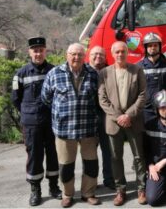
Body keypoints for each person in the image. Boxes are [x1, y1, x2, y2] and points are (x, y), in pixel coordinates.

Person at [41, 43, 100, 207]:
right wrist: (61, 114)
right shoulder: (54, 73)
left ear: (84, 56)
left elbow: (98, 99)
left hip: (88, 128)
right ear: (67, 55)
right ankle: (67, 194)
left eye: (80, 55)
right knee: (66, 166)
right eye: (73, 54)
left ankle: (88, 193)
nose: (76, 58)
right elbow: (45, 98)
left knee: (91, 164)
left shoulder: (92, 74)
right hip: (64, 129)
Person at [12, 37, 61, 206]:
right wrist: (28, 113)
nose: (38, 53)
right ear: (29, 52)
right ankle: (35, 190)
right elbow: (15, 100)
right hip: (31, 123)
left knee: (54, 154)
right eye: (35, 50)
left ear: (45, 51)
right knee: (34, 156)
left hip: (52, 121)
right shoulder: (21, 73)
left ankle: (54, 187)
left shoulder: (54, 71)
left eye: (41, 50)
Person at [98, 41, 147, 206]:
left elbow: (142, 94)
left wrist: (129, 115)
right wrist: (119, 116)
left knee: (139, 156)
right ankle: (121, 190)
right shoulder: (104, 73)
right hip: (114, 122)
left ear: (127, 53)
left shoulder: (137, 70)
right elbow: (102, 99)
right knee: (115, 157)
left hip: (134, 121)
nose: (120, 54)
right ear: (112, 54)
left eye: (123, 51)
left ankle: (141, 188)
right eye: (117, 52)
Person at [88, 45, 115, 190]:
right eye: (95, 54)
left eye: (101, 54)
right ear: (89, 56)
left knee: (108, 150)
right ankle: (91, 182)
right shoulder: (84, 71)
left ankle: (109, 179)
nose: (98, 57)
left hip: (106, 116)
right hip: (88, 117)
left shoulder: (111, 72)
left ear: (105, 57)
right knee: (90, 152)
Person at [137, 32, 166, 124]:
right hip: (147, 110)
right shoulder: (139, 67)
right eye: (149, 45)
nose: (153, 48)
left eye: (155, 45)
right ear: (145, 48)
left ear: (160, 46)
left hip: (164, 107)